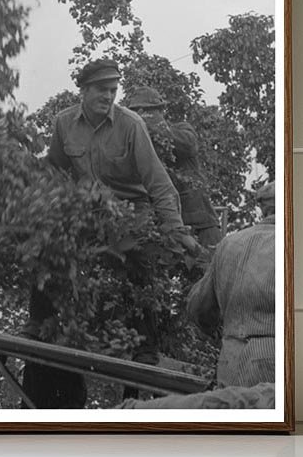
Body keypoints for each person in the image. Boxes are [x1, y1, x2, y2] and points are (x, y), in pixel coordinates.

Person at [22, 59, 200, 407]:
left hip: (132, 208)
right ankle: (38, 322)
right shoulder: (63, 123)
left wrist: (175, 229)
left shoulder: (132, 125)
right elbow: (55, 169)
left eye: (113, 90)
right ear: (84, 91)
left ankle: (145, 345)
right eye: (102, 90)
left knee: (136, 257)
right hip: (89, 209)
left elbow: (158, 182)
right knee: (48, 244)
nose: (108, 96)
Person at [120, 179, 277, 409]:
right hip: (274, 365)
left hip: (231, 364)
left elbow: (198, 308)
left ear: (263, 209)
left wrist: (221, 331)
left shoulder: (229, 244)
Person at [122, 86, 220, 248]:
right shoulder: (134, 142)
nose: (143, 116)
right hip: (166, 227)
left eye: (147, 111)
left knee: (213, 260)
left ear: (161, 111)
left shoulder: (182, 130)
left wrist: (148, 128)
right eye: (138, 112)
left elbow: (187, 144)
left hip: (201, 223)